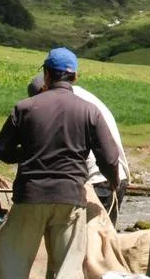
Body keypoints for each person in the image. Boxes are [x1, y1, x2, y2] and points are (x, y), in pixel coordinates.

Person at [0, 48, 122, 279]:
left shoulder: (24, 108)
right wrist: (114, 182)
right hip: (70, 198)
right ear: (75, 77)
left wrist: (28, 153)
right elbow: (110, 158)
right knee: (68, 269)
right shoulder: (89, 111)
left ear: (47, 75)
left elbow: (2, 149)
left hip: (30, 196)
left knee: (12, 266)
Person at [27, 73, 131, 225]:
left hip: (98, 181)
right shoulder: (79, 95)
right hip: (113, 175)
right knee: (104, 236)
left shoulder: (63, 105)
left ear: (44, 90)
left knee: (85, 237)